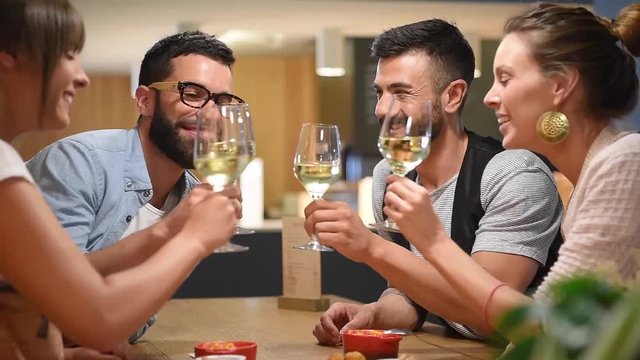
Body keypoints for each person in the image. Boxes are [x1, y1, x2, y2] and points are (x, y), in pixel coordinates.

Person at [379, 2, 640, 339]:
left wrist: (431, 241)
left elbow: (545, 329)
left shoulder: (624, 162)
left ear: (560, 85)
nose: (489, 97)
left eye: (505, 78)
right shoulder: (594, 178)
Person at [0, 0, 239, 359]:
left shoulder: (189, 193)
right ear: (8, 58)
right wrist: (191, 236)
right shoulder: (64, 162)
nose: (83, 77)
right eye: (68, 54)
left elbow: (23, 305)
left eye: (222, 100)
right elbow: (92, 313)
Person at [309, 18, 564, 344]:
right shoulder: (387, 176)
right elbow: (411, 295)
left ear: (454, 96)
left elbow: (485, 319)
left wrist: (371, 248)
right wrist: (375, 314)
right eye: (380, 92)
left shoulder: (513, 175)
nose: (382, 109)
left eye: (401, 92)